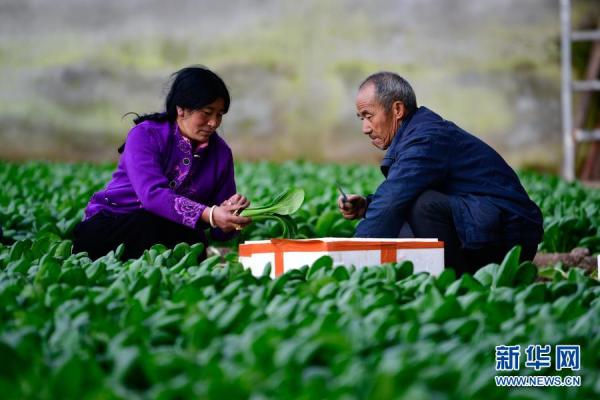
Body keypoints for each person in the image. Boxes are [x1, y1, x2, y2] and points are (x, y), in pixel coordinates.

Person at [338, 72, 543, 275]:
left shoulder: (426, 139)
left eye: (369, 116)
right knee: (405, 214)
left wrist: (348, 260)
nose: (365, 128)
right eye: (361, 118)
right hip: (489, 223)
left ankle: (458, 282)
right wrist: (367, 205)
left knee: (423, 206)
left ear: (398, 109)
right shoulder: (417, 135)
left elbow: (393, 199)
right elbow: (400, 195)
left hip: (511, 234)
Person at [73, 66, 251, 260]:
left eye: (219, 114)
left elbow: (220, 231)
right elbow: (152, 196)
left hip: (171, 234)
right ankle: (201, 255)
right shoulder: (145, 135)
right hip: (111, 227)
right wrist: (210, 214)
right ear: (181, 109)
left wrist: (231, 215)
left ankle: (198, 255)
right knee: (153, 223)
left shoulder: (221, 153)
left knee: (186, 235)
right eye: (207, 112)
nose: (214, 123)